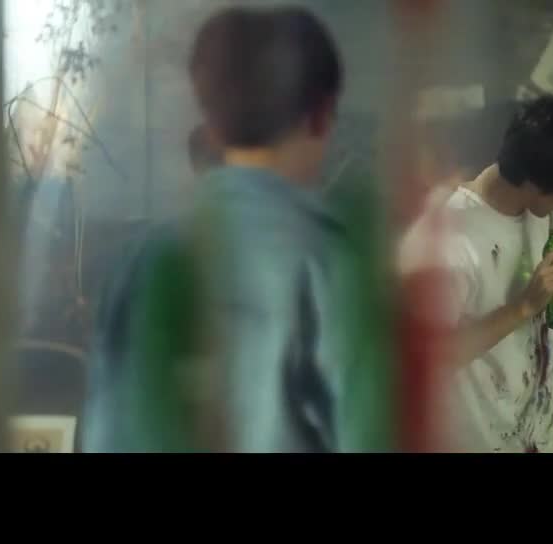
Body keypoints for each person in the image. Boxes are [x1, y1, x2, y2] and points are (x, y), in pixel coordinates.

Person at [83, 5, 355, 452]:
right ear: (322, 114)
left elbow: (106, 432)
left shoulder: (142, 261)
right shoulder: (333, 261)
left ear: (211, 127)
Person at [399, 94, 553, 453]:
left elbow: (540, 359)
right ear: (536, 180)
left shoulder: (543, 217)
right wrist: (523, 306)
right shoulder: (446, 237)